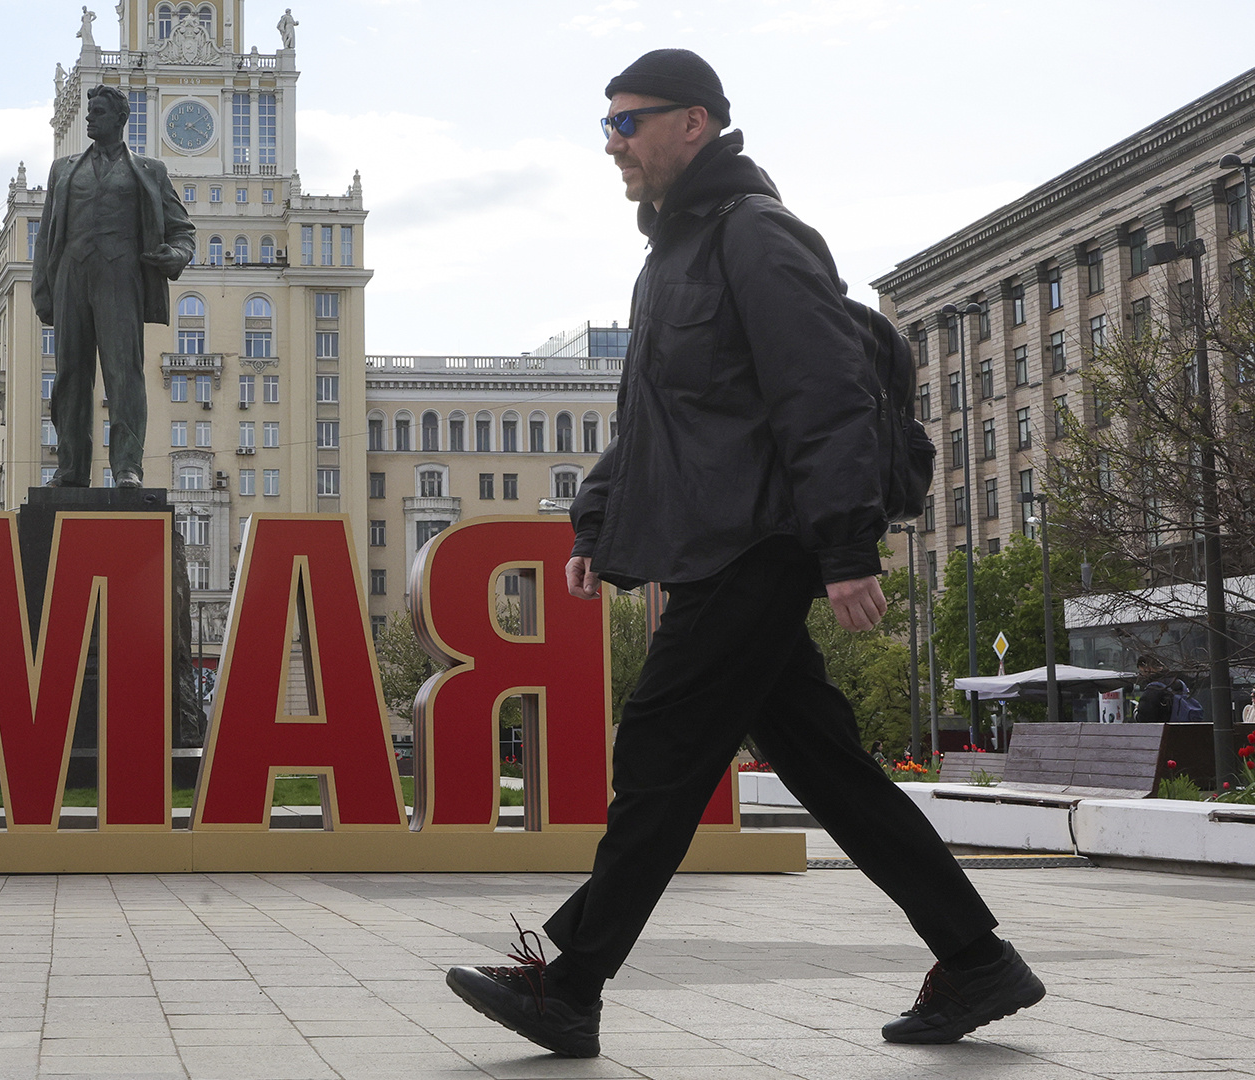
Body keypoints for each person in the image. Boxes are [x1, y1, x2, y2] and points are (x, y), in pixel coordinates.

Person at [443, 49, 1043, 1058]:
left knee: (662, 752)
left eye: (628, 122)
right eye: (606, 125)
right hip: (713, 542)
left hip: (756, 543)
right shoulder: (672, 255)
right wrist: (597, 517)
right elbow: (665, 417)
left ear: (696, 122)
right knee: (827, 766)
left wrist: (846, 546)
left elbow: (825, 393)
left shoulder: (757, 236)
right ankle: (976, 958)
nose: (612, 143)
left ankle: (571, 985)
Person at [31, 84, 195, 487]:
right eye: (89, 112)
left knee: (124, 374)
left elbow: (182, 230)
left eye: (99, 112)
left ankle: (127, 467)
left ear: (121, 119)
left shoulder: (150, 171)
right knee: (70, 375)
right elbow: (46, 236)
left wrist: (176, 255)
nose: (90, 118)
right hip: (71, 278)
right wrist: (42, 289)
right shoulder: (63, 170)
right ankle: (71, 469)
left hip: (121, 279)